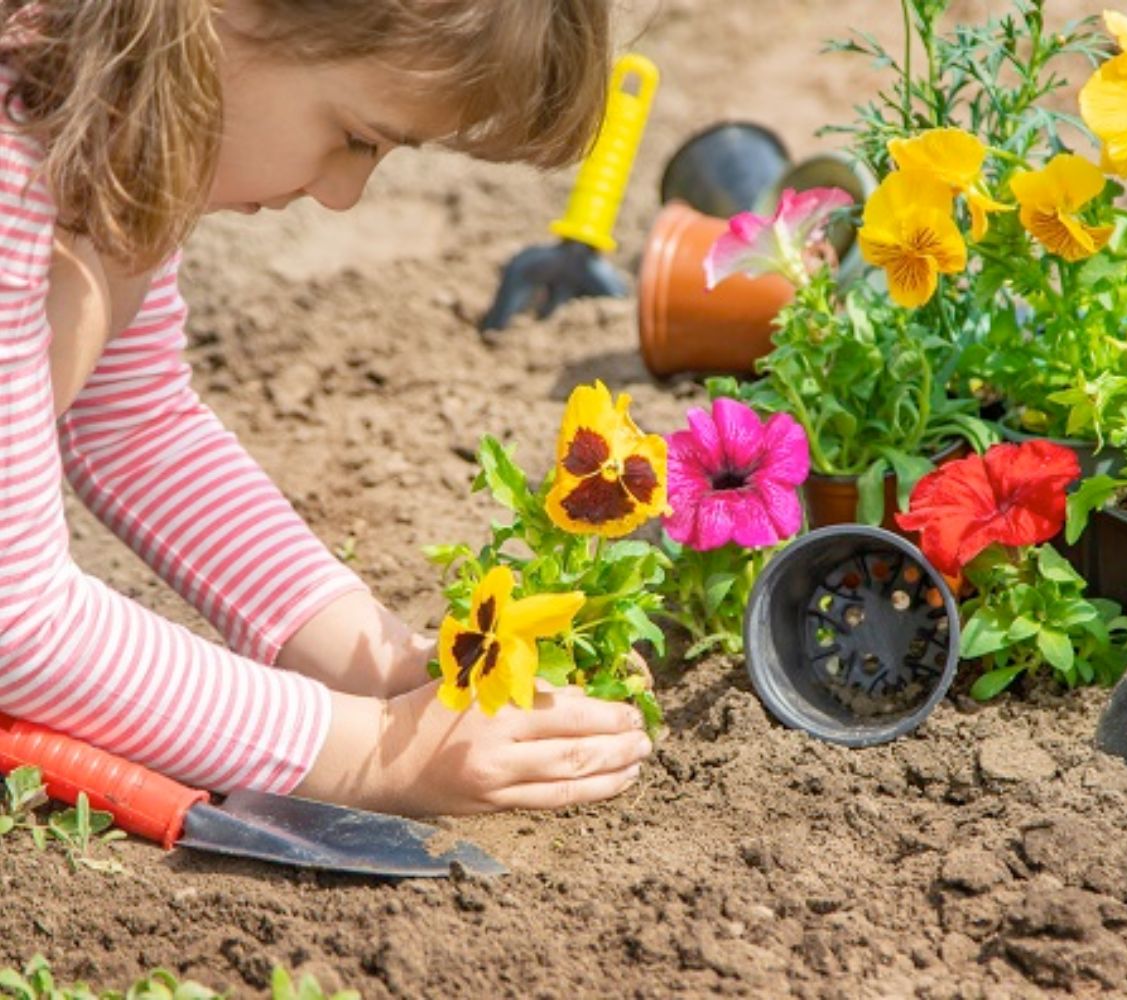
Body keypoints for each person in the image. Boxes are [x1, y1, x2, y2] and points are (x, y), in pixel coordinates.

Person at [0, 0, 654, 816]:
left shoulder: (107, 117)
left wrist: (379, 666)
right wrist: (365, 756)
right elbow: (16, 619)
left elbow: (137, 427)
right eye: (357, 136)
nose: (343, 193)